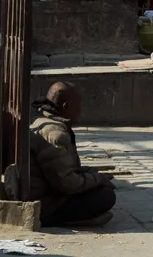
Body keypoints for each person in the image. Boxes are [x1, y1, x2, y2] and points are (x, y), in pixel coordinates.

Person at [28, 82, 115, 228]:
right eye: (78, 106)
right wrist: (98, 179)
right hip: (44, 203)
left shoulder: (41, 122)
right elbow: (67, 184)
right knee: (106, 195)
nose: (81, 110)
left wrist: (89, 173)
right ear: (66, 107)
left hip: (47, 192)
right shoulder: (55, 134)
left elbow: (64, 168)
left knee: (98, 183)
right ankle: (63, 220)